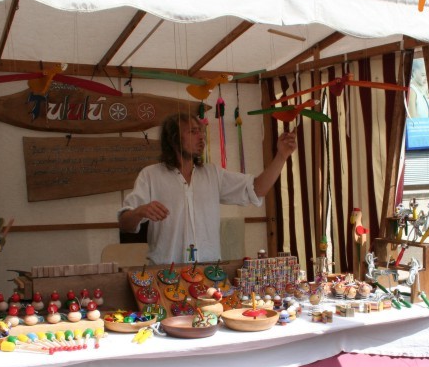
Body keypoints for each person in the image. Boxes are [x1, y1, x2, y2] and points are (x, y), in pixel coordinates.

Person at [118, 113, 297, 265]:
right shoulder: (151, 175)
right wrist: (140, 211)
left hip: (209, 273)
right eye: (193, 132)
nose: (201, 137)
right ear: (173, 139)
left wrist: (281, 156)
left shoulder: (212, 174)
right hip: (164, 274)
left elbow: (257, 189)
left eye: (201, 131)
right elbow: (125, 223)